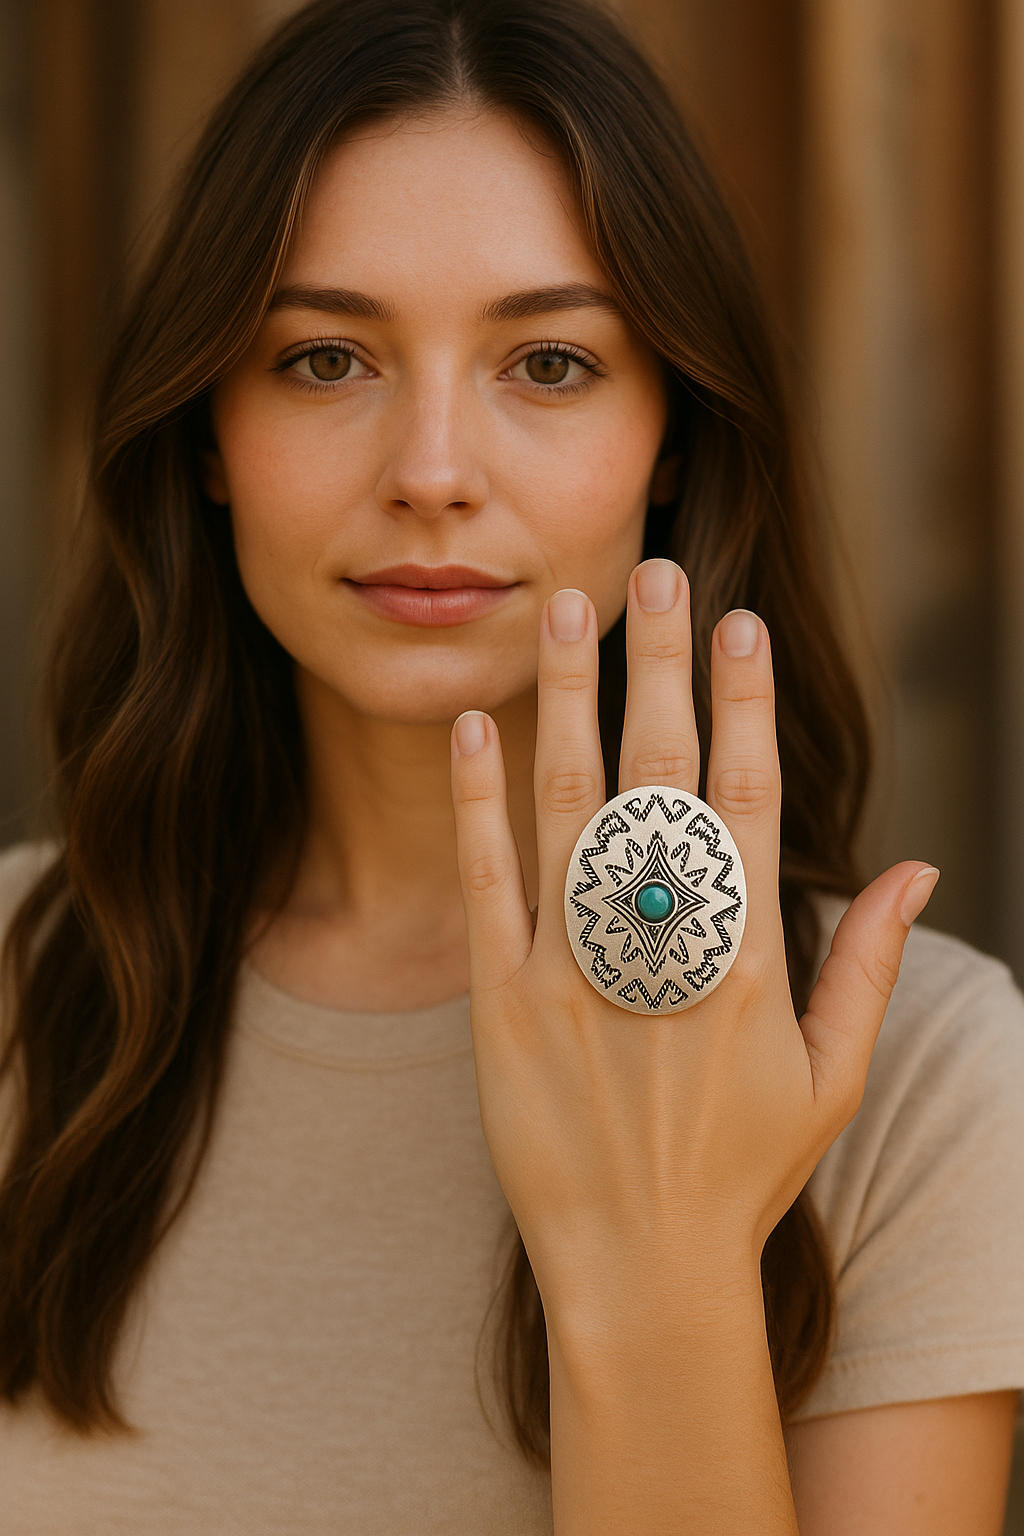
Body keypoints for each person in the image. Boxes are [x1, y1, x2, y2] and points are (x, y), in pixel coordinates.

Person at [1, 1, 1022, 1530]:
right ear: (207, 429)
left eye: (547, 361)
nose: (429, 473)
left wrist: (659, 1245)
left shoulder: (919, 1082)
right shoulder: (17, 1001)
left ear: (671, 435)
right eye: (325, 357)